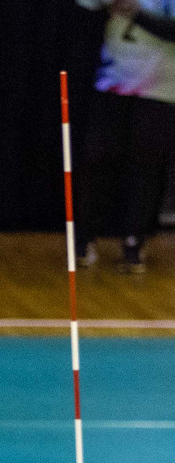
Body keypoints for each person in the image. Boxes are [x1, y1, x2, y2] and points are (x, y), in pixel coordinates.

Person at [75, 0, 175, 272]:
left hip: (159, 89)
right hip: (112, 81)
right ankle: (83, 239)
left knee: (146, 166)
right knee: (97, 159)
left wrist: (135, 12)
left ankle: (134, 242)